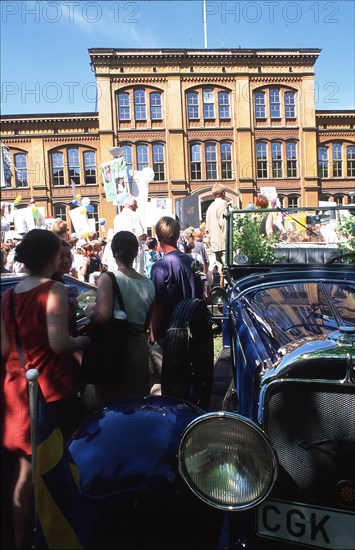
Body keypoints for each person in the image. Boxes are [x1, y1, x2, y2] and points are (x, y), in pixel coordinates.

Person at [1, 229, 89, 549]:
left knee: (24, 475)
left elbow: (4, 346)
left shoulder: (9, 296)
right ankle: (61, 537)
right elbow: (60, 343)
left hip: (16, 391)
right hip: (51, 392)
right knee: (61, 467)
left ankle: (23, 541)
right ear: (52, 257)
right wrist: (82, 340)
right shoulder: (53, 289)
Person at [84, 231, 155, 405]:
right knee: (137, 406)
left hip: (113, 350)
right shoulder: (148, 283)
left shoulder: (108, 278)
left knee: (110, 410)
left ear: (114, 252)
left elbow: (101, 316)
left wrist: (88, 311)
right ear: (136, 253)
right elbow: (147, 323)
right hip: (138, 350)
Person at [149, 217, 204, 395]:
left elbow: (159, 305)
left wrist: (153, 334)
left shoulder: (160, 266)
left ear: (159, 238)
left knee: (167, 381)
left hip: (170, 333)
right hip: (193, 329)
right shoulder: (192, 261)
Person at [113, 196, 147, 275]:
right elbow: (140, 234)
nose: (137, 207)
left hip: (120, 251)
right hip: (133, 250)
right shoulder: (134, 215)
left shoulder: (117, 217)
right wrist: (144, 236)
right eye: (136, 205)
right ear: (132, 205)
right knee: (135, 274)